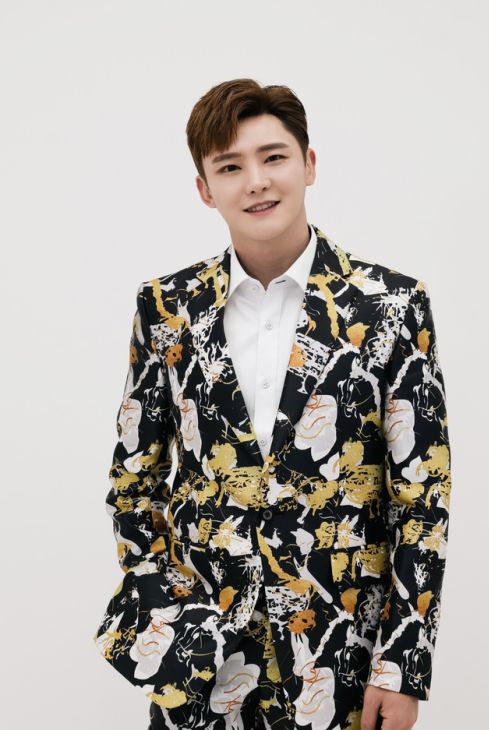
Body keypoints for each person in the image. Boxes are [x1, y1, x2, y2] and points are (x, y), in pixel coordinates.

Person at [93, 78, 452, 730]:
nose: (256, 181)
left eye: (273, 157)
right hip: (203, 669)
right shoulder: (167, 308)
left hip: (342, 658)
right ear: (205, 189)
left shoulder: (392, 306)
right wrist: (174, 626)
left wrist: (401, 666)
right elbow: (133, 485)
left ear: (308, 164)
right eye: (230, 167)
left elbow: (422, 499)